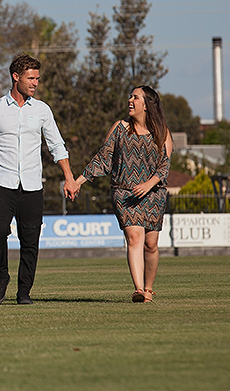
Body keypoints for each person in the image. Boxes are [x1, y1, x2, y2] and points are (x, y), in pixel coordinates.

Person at [0, 53, 78, 305]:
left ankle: (24, 292)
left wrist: (69, 178)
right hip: (3, 184)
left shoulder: (42, 110)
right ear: (16, 77)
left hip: (32, 186)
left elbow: (56, 145)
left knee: (30, 241)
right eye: (31, 77)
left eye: (37, 78)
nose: (35, 83)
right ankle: (2, 274)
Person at [74, 85, 172, 303]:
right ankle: (139, 290)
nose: (130, 100)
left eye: (135, 97)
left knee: (151, 244)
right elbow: (103, 158)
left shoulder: (162, 132)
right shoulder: (119, 128)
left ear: (147, 105)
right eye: (130, 96)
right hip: (124, 193)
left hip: (153, 194)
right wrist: (78, 181)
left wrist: (148, 184)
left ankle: (149, 287)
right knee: (134, 237)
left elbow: (164, 167)